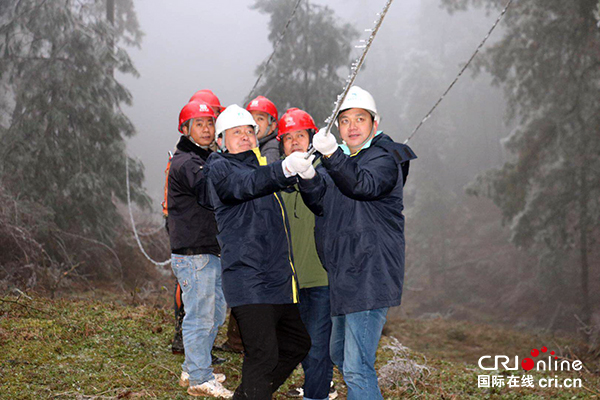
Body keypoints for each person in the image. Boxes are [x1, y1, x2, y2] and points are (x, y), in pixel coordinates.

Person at [297, 86, 416, 400]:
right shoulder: (338, 164)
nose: (352, 126)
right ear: (337, 127)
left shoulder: (385, 157)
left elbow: (362, 185)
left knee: (356, 367)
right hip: (342, 274)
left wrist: (332, 155)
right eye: (345, 120)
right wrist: (308, 177)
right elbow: (321, 203)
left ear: (374, 124)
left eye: (360, 119)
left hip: (369, 272)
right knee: (339, 354)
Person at [205, 104, 313, 399]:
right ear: (220, 141)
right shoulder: (220, 168)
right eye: (236, 132)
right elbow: (244, 186)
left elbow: (272, 180)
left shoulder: (264, 169)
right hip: (249, 279)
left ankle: (248, 395)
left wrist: (309, 163)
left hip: (277, 279)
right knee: (263, 356)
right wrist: (285, 168)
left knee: (296, 343)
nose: (245, 136)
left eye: (250, 131)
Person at [167, 100, 232, 398]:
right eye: (199, 124)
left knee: (215, 313)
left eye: (210, 123)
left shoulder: (205, 157)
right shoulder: (187, 162)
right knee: (200, 316)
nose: (206, 129)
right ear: (185, 129)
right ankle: (199, 377)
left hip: (208, 250)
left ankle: (193, 366)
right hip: (194, 253)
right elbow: (209, 193)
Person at [278, 108, 336, 400]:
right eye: (287, 138)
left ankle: (317, 395)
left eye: (300, 135)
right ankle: (318, 388)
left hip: (321, 278)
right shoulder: (276, 180)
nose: (295, 142)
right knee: (301, 346)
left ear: (312, 137)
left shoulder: (326, 174)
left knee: (316, 348)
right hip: (289, 281)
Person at [246, 95, 279, 164]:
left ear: (273, 125)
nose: (254, 123)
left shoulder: (272, 149)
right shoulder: (255, 145)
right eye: (251, 118)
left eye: (260, 119)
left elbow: (265, 173)